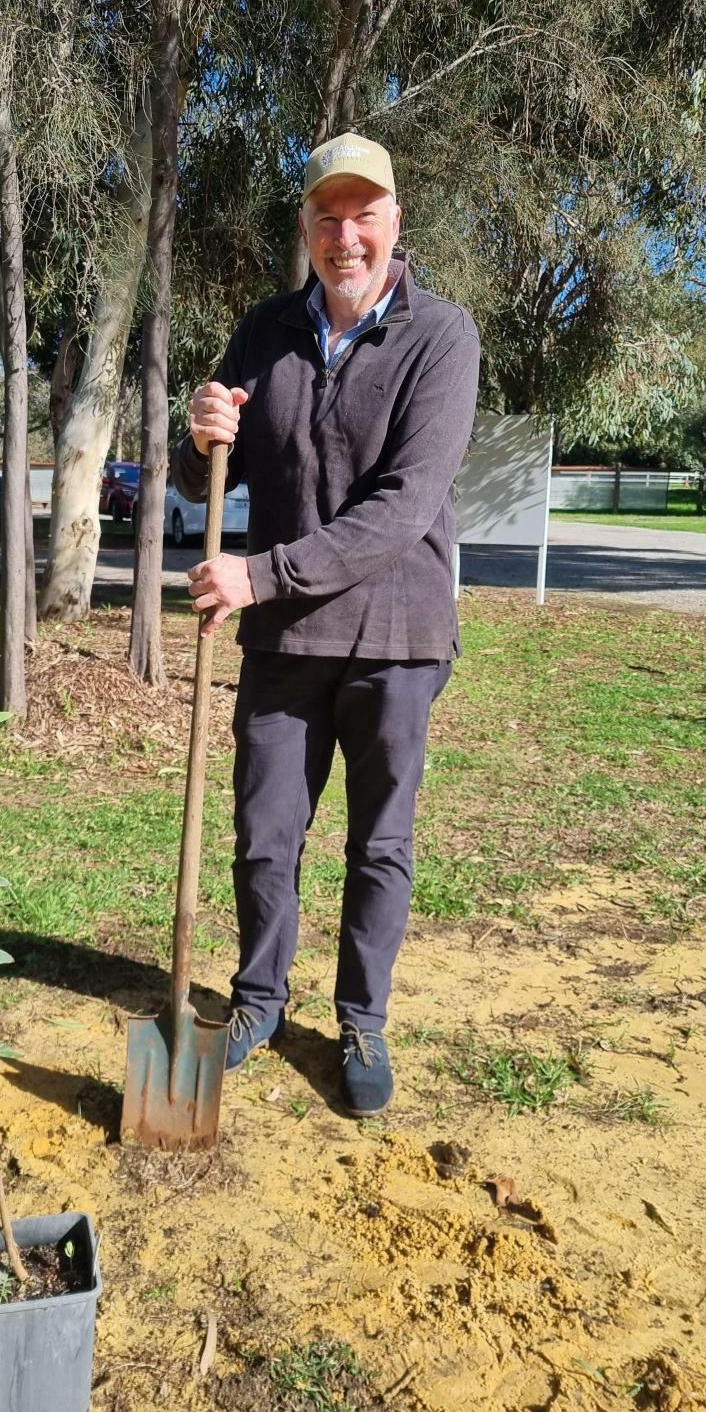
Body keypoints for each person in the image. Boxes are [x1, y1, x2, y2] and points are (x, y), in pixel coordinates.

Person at [170, 132, 480, 1117]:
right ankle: (257, 1000)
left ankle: (361, 1020)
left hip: (395, 634)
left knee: (377, 844)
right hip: (283, 644)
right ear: (304, 228)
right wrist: (198, 437)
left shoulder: (440, 335)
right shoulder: (264, 332)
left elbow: (399, 504)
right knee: (264, 835)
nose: (345, 236)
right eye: (326, 218)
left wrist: (260, 574)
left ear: (394, 223)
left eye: (364, 216)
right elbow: (206, 477)